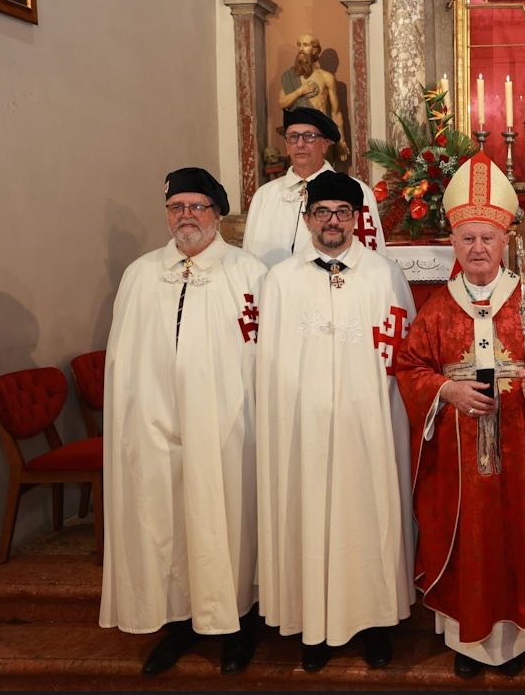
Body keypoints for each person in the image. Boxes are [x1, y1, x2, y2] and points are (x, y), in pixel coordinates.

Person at [396, 151, 525, 680]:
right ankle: (466, 642)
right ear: (454, 243)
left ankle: (517, 641)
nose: (478, 248)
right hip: (459, 458)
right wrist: (447, 389)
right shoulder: (438, 308)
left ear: (505, 240)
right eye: (467, 238)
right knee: (468, 537)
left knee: (516, 537)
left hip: (520, 451)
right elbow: (409, 367)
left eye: (487, 238)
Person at [99, 167, 265, 676]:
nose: (186, 216)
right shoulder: (141, 273)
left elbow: (264, 357)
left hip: (226, 426)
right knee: (166, 520)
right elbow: (122, 360)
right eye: (177, 207)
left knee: (225, 518)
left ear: (217, 214)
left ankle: (238, 622)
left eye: (197, 206)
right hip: (154, 425)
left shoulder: (250, 273)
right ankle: (179, 620)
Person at [254, 171, 416, 673]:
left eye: (342, 213)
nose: (332, 221)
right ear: (307, 219)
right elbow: (267, 362)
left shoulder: (384, 276)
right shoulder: (281, 280)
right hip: (302, 430)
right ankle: (314, 625)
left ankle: (376, 622)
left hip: (369, 426)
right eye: (322, 212)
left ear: (356, 219)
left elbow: (404, 354)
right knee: (309, 519)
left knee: (370, 519)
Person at [242, 106, 384, 268]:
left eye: (309, 136)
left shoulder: (355, 190)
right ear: (286, 145)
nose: (300, 144)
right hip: (273, 284)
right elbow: (248, 262)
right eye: (293, 137)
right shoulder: (264, 195)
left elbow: (374, 259)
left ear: (325, 144)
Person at [279, 33, 350, 162]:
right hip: (297, 136)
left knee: (323, 172)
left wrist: (341, 140)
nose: (301, 48)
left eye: (305, 45)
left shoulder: (326, 77)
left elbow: (336, 113)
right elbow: (282, 103)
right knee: (300, 172)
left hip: (320, 133)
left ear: (315, 50)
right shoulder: (290, 77)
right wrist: (300, 91)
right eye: (299, 45)